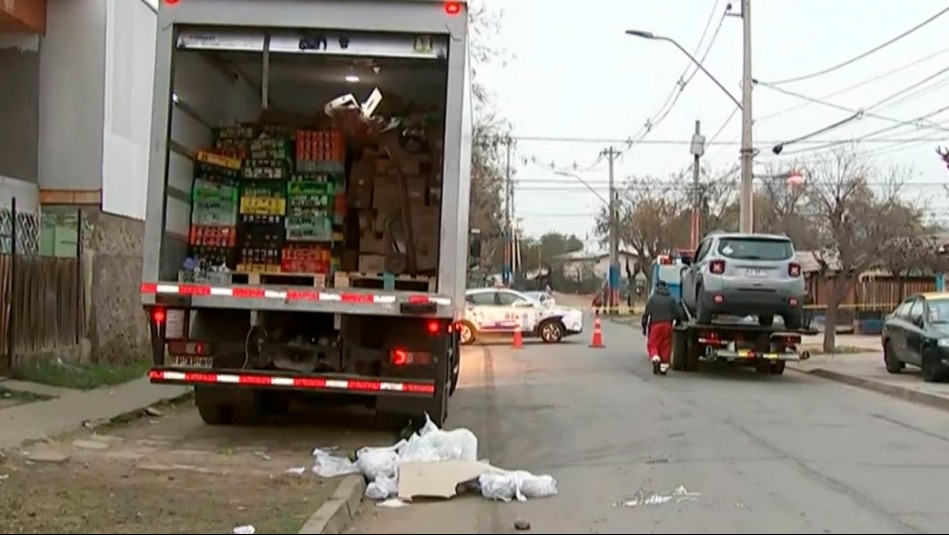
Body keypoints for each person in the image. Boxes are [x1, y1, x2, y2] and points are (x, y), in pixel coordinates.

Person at [640, 280, 685, 375]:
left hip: (655, 325)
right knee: (666, 346)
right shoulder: (671, 299)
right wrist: (677, 322)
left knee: (653, 344)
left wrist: (644, 328)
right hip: (668, 325)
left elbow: (646, 315)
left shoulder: (652, 299)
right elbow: (679, 314)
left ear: (657, 287)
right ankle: (663, 367)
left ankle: (656, 358)